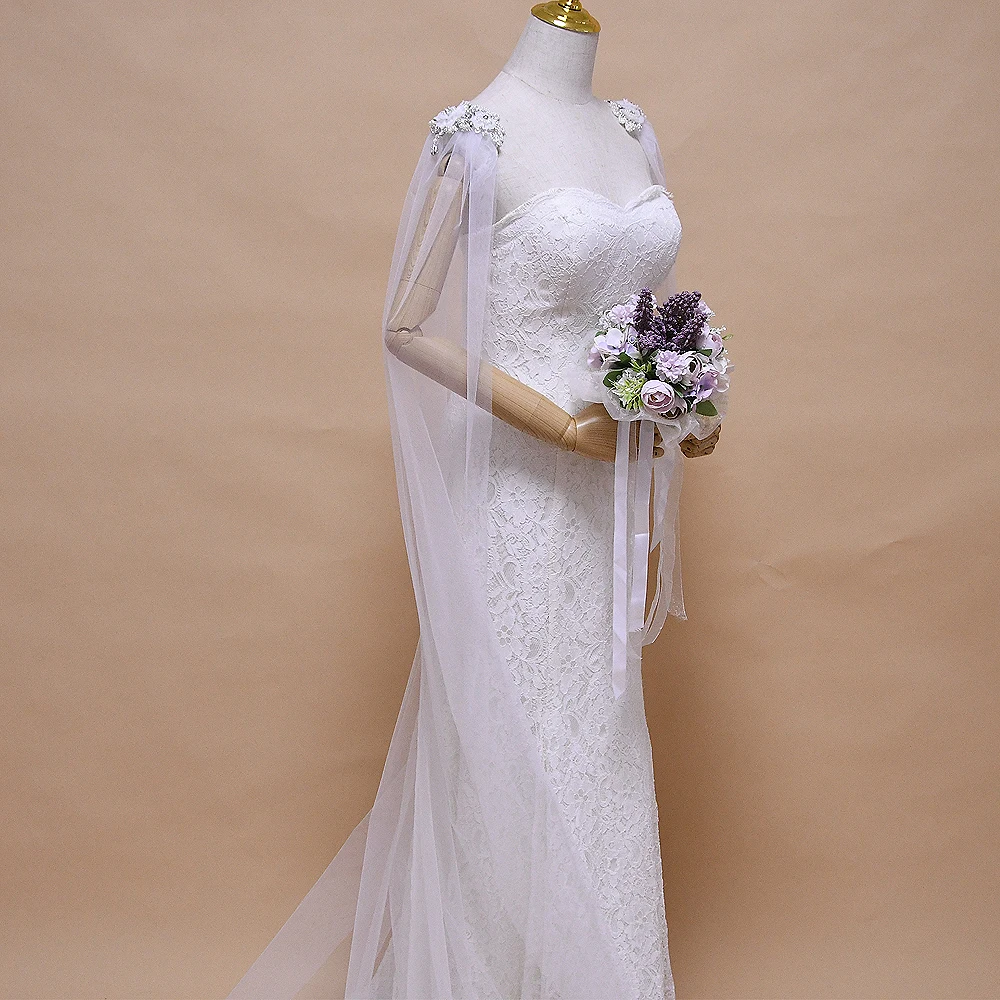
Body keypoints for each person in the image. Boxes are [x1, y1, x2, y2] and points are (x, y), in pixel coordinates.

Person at [227, 5, 720, 997]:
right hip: (519, 494)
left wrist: (685, 401)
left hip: (607, 498)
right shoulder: (475, 137)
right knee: (521, 732)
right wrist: (562, 427)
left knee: (601, 736)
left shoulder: (632, 131)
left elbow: (643, 312)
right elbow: (405, 326)